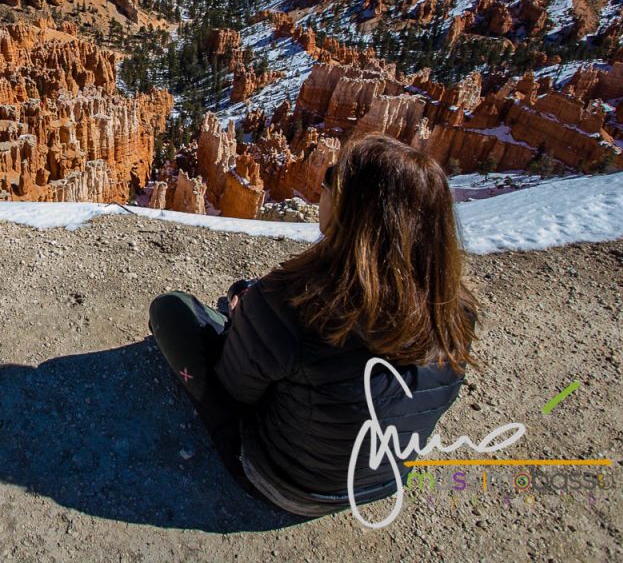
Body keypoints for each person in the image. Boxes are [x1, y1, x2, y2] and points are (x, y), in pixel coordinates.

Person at [148, 133, 478, 516]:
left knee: (172, 311)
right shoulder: (455, 310)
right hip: (386, 480)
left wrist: (245, 320)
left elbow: (233, 386)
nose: (323, 183)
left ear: (351, 208)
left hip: (287, 483)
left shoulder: (292, 301)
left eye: (334, 178)